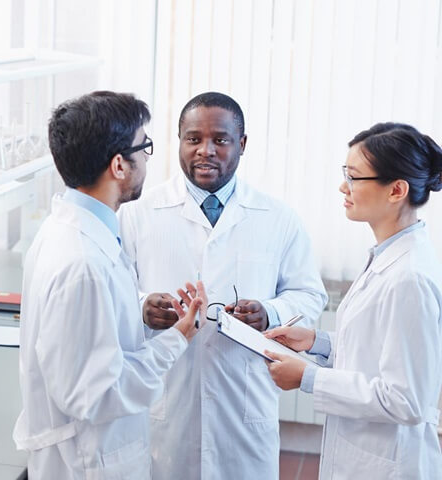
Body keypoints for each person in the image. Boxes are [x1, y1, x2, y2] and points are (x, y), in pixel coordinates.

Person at [118, 91, 327, 479]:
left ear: (242, 144)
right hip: (166, 402)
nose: (205, 151)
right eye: (193, 139)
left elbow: (309, 295)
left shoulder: (278, 218)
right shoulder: (136, 214)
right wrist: (143, 306)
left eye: (221, 140)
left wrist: (268, 313)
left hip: (243, 404)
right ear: (178, 141)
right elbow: (112, 294)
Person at [12, 90, 206, 479]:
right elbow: (98, 394)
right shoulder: (83, 261)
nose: (148, 158)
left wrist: (140, 310)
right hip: (89, 462)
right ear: (119, 165)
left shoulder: (69, 229)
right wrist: (178, 339)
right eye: (144, 147)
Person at [265, 122, 442, 479]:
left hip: (389, 463)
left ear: (396, 190)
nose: (343, 187)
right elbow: (377, 350)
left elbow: (408, 400)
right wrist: (318, 342)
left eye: (355, 176)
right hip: (363, 454)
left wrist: (309, 378)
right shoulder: (388, 255)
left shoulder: (409, 277)